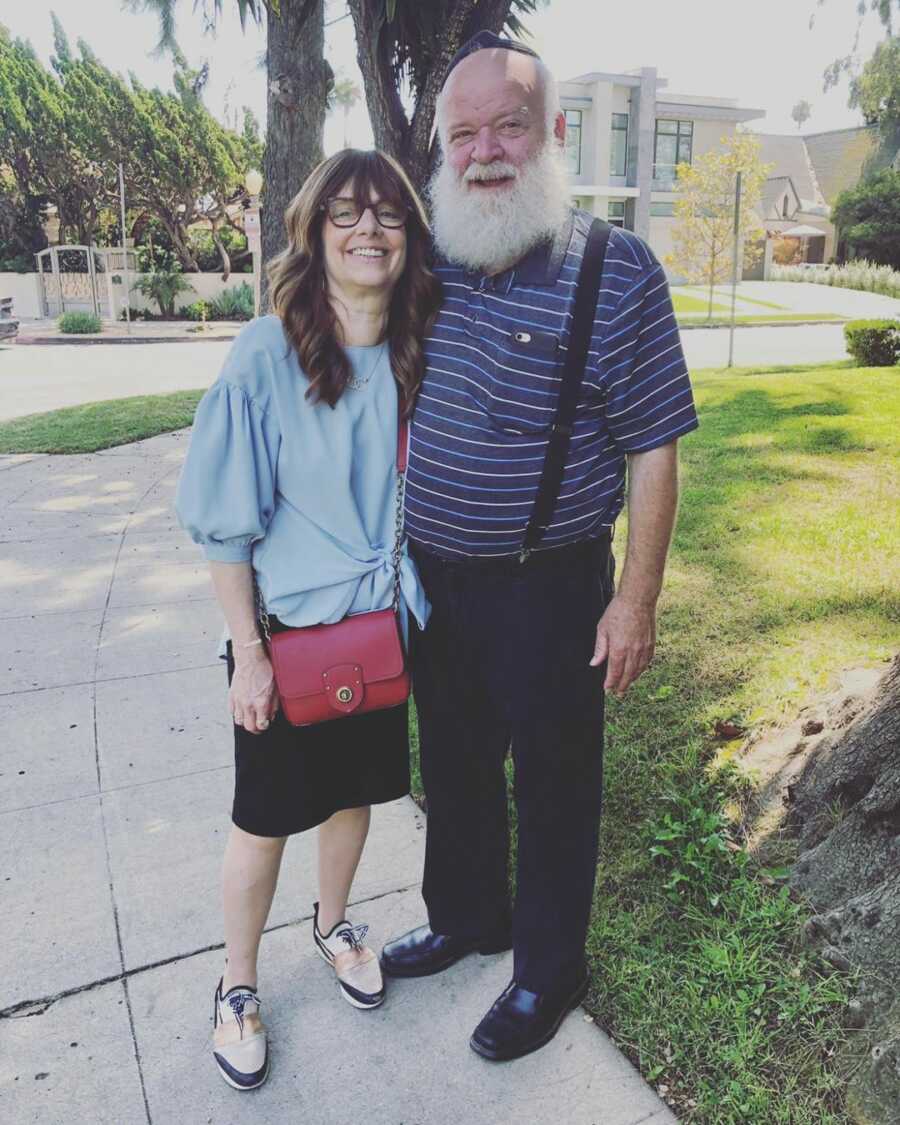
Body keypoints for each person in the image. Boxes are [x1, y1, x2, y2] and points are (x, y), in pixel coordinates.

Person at [381, 33, 699, 1062]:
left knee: (557, 779)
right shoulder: (425, 256)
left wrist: (636, 600)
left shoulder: (617, 270)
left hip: (553, 585)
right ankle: (470, 917)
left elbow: (654, 446)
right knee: (458, 762)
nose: (483, 152)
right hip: (435, 576)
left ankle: (549, 970)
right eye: (463, 132)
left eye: (506, 126)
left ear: (549, 132)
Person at [175, 149, 441, 1090]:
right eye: (347, 213)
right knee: (264, 818)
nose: (369, 230)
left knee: (352, 799)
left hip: (374, 635)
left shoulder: (418, 346)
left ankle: (333, 925)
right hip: (283, 640)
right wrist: (246, 654)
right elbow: (224, 521)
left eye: (389, 216)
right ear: (315, 231)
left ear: (411, 237)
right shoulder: (266, 352)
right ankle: (236, 984)